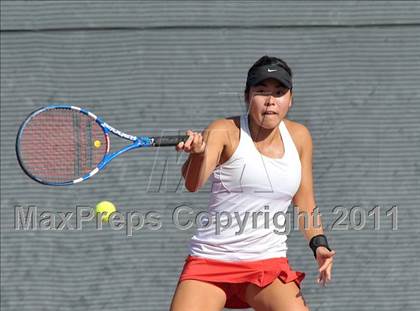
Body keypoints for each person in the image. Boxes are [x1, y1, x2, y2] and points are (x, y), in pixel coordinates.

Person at [170, 56, 335, 311]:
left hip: (266, 263)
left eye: (279, 92)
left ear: (290, 99)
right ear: (247, 97)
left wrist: (319, 244)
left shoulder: (300, 137)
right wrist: (198, 153)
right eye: (261, 92)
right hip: (211, 261)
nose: (271, 101)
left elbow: (304, 201)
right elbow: (193, 183)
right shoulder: (223, 130)